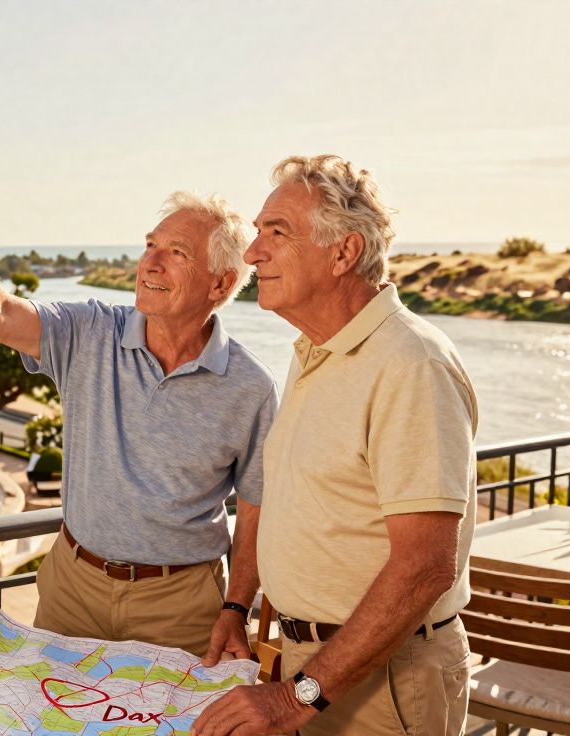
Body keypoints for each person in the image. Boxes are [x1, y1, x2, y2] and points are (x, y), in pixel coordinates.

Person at [0, 192, 277, 656]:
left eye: (177, 252)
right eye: (149, 244)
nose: (150, 263)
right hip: (72, 592)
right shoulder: (90, 332)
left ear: (220, 285)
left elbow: (257, 510)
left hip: (180, 605)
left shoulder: (250, 387)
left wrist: (237, 609)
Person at [194, 155, 477, 736]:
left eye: (277, 233)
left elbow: (425, 566)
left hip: (382, 679)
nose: (251, 253)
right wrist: (238, 606)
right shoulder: (314, 353)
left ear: (344, 252)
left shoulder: (410, 364)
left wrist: (297, 698)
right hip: (317, 667)